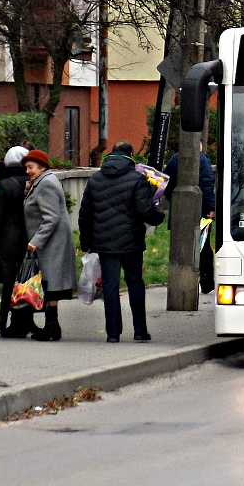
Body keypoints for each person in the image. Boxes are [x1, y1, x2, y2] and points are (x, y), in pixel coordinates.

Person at [80, 141, 166, 343]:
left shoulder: (95, 180)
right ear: (131, 154)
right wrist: (159, 217)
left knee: (110, 286)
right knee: (135, 283)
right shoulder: (137, 179)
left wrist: (86, 242)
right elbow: (145, 210)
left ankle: (112, 333)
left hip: (104, 242)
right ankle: (140, 331)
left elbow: (85, 214)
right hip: (131, 241)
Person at [22, 149, 76, 341]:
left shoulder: (46, 183)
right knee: (49, 286)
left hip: (51, 244)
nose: (28, 171)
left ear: (42, 167)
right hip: (51, 243)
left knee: (51, 285)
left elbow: (51, 218)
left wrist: (35, 241)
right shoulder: (42, 182)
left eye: (30, 167)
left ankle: (52, 327)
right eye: (27, 167)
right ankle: (52, 326)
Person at [0, 146, 31, 337]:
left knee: (8, 279)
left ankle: (3, 316)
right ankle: (24, 319)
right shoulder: (31, 181)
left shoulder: (4, 184)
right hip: (28, 235)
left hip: (7, 237)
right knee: (26, 279)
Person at [163, 150, 216, 293]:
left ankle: (180, 278)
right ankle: (206, 281)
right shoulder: (202, 160)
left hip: (178, 209)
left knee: (180, 244)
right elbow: (206, 184)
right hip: (201, 210)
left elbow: (165, 184)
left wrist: (173, 201)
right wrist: (211, 207)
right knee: (203, 244)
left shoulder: (174, 159)